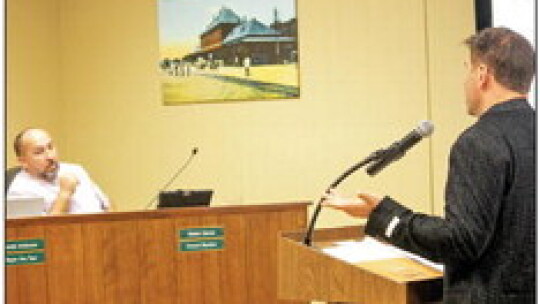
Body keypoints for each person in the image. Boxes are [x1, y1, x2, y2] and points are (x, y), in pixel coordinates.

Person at [323, 27, 535, 303]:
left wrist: (385, 216)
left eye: (467, 69)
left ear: (482, 74)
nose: (464, 81)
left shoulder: (479, 142)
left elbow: (461, 241)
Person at [7, 128, 111, 215]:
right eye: (39, 152)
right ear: (23, 161)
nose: (50, 156)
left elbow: (107, 205)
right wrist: (65, 193)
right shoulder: (19, 191)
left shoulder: (75, 169)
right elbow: (43, 232)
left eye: (50, 147)